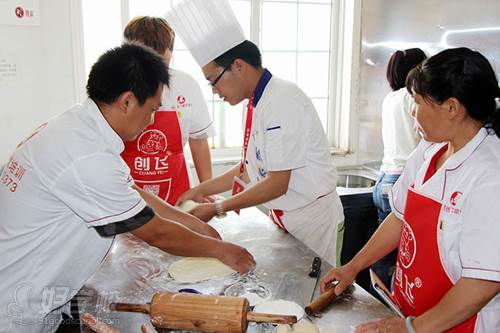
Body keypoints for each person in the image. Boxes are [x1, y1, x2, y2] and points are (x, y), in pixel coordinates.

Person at [0, 43, 254, 333]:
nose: (151, 121)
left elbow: (129, 191)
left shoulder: (78, 128)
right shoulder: (86, 156)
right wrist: (220, 250)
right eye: (152, 109)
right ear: (128, 101)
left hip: (33, 292)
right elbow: (154, 231)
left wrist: (192, 222)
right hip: (17, 310)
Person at [320, 47, 500, 332]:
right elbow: (400, 217)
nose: (412, 111)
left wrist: (414, 327)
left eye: (417, 101)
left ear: (452, 108)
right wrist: (352, 267)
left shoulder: (490, 176)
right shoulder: (429, 150)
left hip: (456, 324)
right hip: (411, 310)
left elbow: (483, 282)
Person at [167, 0, 344, 266]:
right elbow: (248, 169)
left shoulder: (281, 101)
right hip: (285, 216)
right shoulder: (254, 103)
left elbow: (277, 182)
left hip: (312, 221)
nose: (215, 91)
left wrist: (216, 208)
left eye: (214, 81)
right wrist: (199, 190)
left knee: (313, 292)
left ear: (238, 66)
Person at [121, 16, 216, 205]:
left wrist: (208, 190)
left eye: (159, 63)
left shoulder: (186, 85)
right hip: (126, 192)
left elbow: (198, 142)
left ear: (170, 53)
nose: (153, 72)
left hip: (176, 191)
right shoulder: (113, 84)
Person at [371, 48, 426, 288]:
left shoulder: (390, 98)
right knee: (400, 255)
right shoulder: (409, 98)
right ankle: (388, 305)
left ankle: (379, 300)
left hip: (384, 178)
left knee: (383, 256)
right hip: (402, 178)